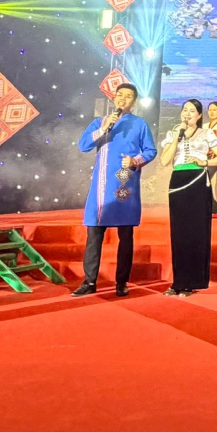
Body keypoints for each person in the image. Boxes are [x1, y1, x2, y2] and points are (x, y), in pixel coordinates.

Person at [73, 83, 156, 297]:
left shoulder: (140, 124)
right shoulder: (100, 122)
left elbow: (150, 150)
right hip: (101, 184)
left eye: (128, 96)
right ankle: (89, 281)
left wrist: (135, 161)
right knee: (94, 233)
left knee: (125, 234)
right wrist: (103, 129)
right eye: (120, 95)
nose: (123, 99)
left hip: (124, 181)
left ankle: (122, 281)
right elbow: (83, 146)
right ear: (114, 98)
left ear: (134, 102)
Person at [158, 98, 217, 296]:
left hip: (198, 181)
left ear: (199, 115)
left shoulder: (206, 133)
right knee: (179, 232)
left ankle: (192, 282)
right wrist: (177, 136)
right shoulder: (173, 134)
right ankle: (178, 281)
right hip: (178, 181)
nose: (187, 114)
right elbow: (164, 160)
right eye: (185, 110)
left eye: (192, 111)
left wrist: (204, 162)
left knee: (196, 232)